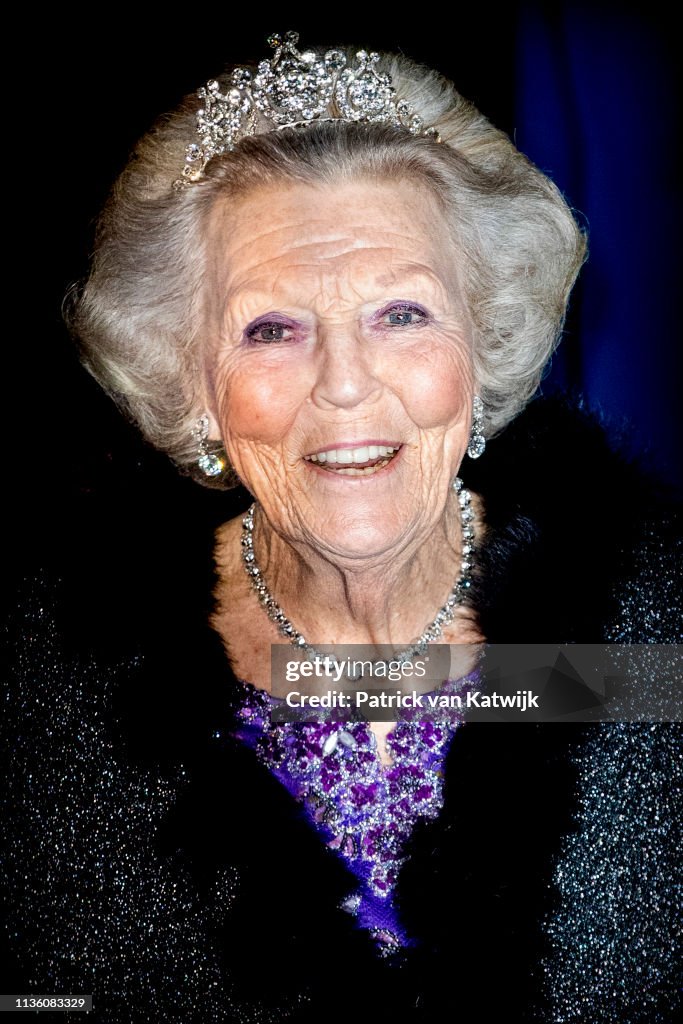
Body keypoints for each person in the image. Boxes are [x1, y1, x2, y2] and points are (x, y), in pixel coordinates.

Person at [2, 29, 680, 1023]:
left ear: (481, 343)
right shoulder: (46, 670)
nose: (347, 385)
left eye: (400, 313)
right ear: (194, 390)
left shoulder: (655, 620)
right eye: (271, 329)